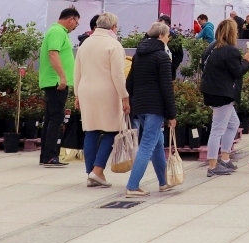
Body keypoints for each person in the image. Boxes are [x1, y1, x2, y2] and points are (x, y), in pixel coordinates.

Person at [73, 12, 127, 188]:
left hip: (86, 90)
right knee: (112, 131)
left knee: (91, 130)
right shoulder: (114, 45)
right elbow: (118, 75)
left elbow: (77, 71)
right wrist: (124, 96)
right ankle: (97, 170)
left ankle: (91, 173)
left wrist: (76, 94)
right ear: (113, 27)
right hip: (107, 91)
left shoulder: (85, 43)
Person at [124, 23, 177, 195]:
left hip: (140, 105)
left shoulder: (139, 55)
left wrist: (133, 103)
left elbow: (129, 83)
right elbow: (166, 88)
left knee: (158, 143)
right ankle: (132, 186)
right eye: (168, 35)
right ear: (161, 35)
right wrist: (172, 114)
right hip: (155, 107)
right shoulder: (162, 57)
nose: (169, 38)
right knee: (147, 145)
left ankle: (163, 181)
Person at [201, 18, 249, 177]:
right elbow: (237, 72)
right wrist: (247, 60)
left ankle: (224, 158)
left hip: (211, 91)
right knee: (217, 129)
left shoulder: (212, 48)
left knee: (233, 123)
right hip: (222, 94)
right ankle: (212, 165)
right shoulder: (231, 50)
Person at [38, 7, 80, 167]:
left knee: (50, 119)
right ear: (71, 19)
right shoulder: (57, 32)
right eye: (76, 22)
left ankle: (46, 155)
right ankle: (50, 155)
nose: (76, 26)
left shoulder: (57, 31)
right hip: (56, 82)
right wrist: (62, 76)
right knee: (56, 119)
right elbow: (53, 53)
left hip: (53, 81)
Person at [157, 14, 184, 79]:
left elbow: (179, 55)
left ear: (168, 25)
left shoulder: (174, 38)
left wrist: (172, 66)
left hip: (168, 73)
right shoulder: (153, 36)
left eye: (161, 25)